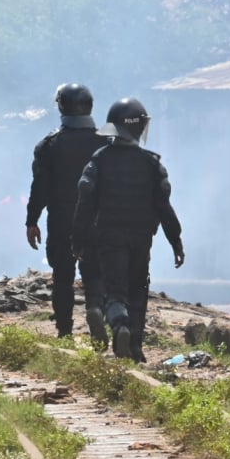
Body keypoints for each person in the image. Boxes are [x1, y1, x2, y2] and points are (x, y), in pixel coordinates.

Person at [73, 97, 184, 362]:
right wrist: (176, 241)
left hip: (109, 238)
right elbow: (164, 207)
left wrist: (78, 240)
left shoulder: (98, 161)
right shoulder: (152, 164)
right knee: (138, 289)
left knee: (115, 292)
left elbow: (84, 204)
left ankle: (119, 325)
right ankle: (135, 347)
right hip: (142, 238)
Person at [26, 83, 110, 341]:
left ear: (61, 107)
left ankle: (64, 331)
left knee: (63, 276)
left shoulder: (49, 145)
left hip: (61, 220)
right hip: (97, 221)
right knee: (95, 272)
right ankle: (95, 307)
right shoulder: (106, 143)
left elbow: (39, 187)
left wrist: (31, 221)